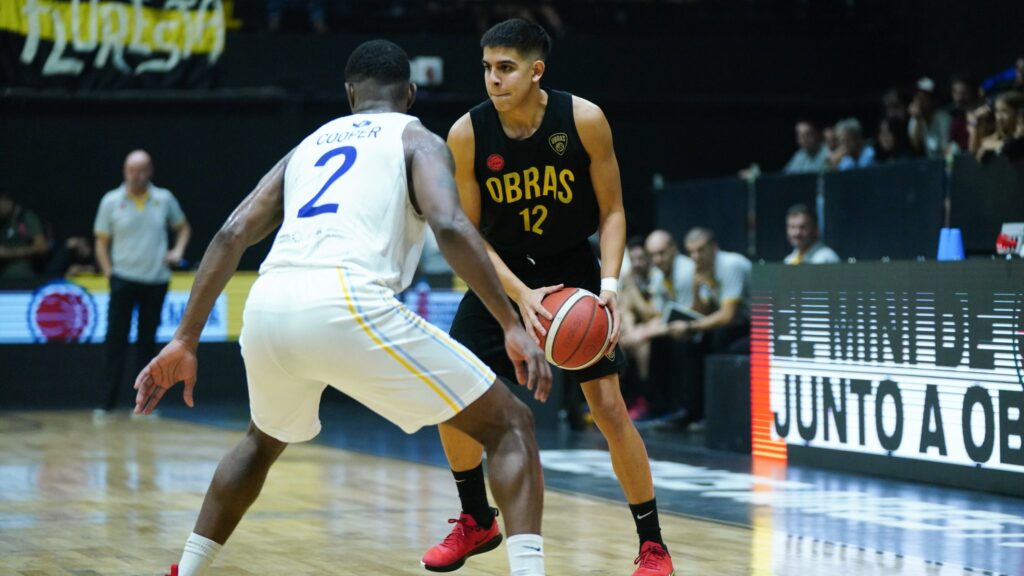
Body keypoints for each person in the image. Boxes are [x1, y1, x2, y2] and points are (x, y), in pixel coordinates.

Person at [133, 40, 552, 576]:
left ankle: (186, 570)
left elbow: (232, 232)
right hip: (345, 301)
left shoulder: (307, 146)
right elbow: (448, 225)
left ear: (350, 94)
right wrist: (509, 323)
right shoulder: (418, 138)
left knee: (262, 441)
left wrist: (185, 338)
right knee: (511, 424)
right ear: (411, 94)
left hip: (267, 306)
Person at [422, 19, 674, 576]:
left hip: (573, 270)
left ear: (537, 71)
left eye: (506, 68)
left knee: (608, 408)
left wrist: (608, 287)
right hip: (503, 275)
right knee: (451, 388)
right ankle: (476, 519)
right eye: (487, 67)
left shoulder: (583, 120)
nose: (493, 79)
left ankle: (652, 545)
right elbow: (469, 233)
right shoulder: (467, 134)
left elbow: (612, 212)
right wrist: (519, 295)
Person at [93, 150, 191, 415]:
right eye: (131, 170)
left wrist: (178, 251)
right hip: (123, 279)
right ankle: (106, 404)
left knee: (147, 344)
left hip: (155, 281)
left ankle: (145, 405)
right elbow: (101, 241)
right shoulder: (111, 201)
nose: (136, 176)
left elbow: (183, 227)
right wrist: (109, 272)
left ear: (150, 171)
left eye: (141, 170)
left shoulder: (164, 199)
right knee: (115, 341)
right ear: (124, 171)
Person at [646, 228, 751, 431]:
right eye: (692, 251)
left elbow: (728, 315)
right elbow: (702, 311)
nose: (696, 257)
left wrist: (691, 326)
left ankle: (715, 415)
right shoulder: (700, 271)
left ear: (714, 248)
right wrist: (696, 289)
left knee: (714, 340)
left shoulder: (730, 265)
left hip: (754, 326)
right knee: (689, 342)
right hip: (729, 325)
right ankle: (687, 411)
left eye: (701, 250)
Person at [0, 190, 49, 279]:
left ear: (5, 201)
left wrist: (9, 253)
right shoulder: (3, 221)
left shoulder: (26, 218)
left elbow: (42, 247)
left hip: (18, 274)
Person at [908, 77, 952, 159]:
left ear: (934, 100)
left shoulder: (943, 118)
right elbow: (915, 146)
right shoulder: (915, 119)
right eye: (917, 96)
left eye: (924, 96)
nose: (919, 100)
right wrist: (918, 119)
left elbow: (945, 148)